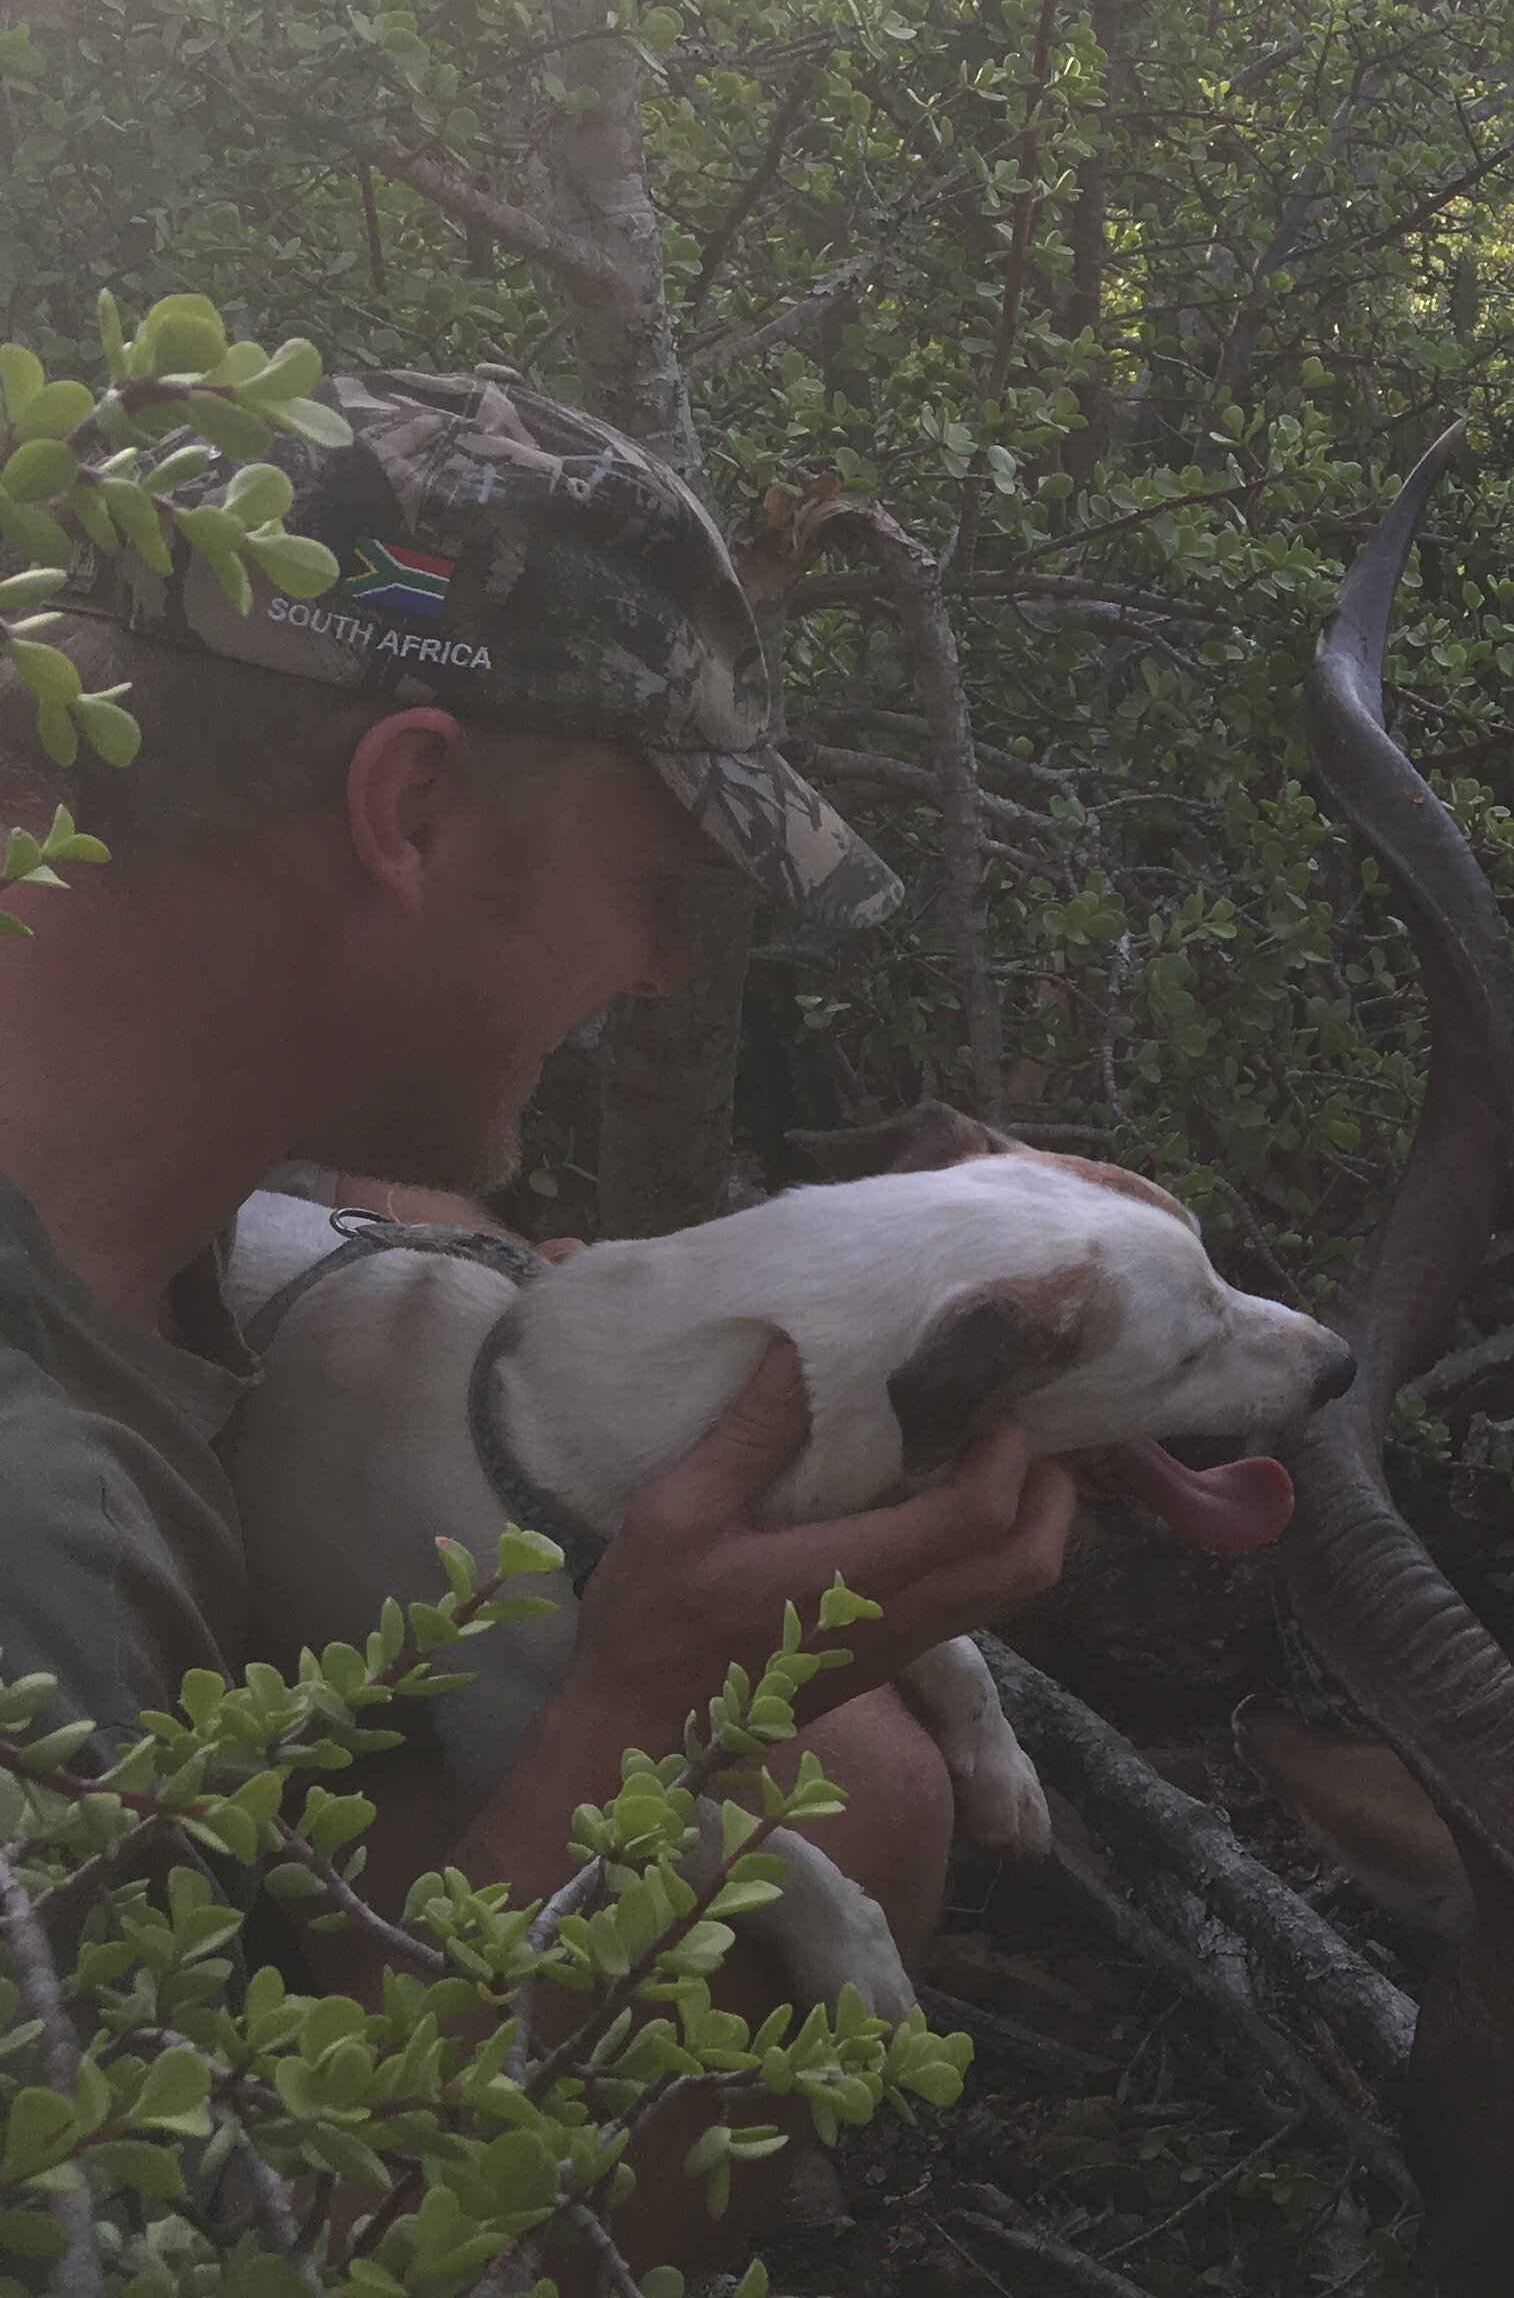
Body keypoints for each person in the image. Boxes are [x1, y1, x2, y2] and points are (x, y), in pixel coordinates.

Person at [0, 366, 1076, 2235]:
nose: (665, 970)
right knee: (819, 1816)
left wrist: (508, 1331)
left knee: (844, 1778)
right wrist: (636, 1705)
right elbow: (189, 2268)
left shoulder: (148, 1145)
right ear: (408, 806)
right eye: (655, 879)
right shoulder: (42, 1545)